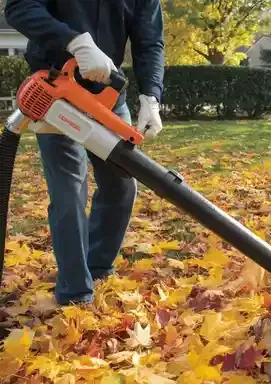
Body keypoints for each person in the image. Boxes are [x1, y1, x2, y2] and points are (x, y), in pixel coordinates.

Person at [3, 0, 165, 306]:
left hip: (109, 96)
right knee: (68, 192)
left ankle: (98, 267)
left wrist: (151, 95)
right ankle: (75, 292)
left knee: (122, 184)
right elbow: (19, 7)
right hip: (55, 90)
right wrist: (73, 40)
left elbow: (149, 41)